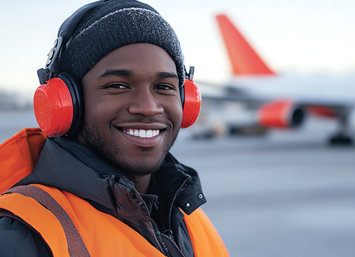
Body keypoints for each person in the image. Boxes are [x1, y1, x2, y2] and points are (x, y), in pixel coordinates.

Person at [0, 0, 228, 256]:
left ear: (186, 102)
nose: (148, 107)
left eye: (164, 87)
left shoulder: (191, 220)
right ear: (65, 103)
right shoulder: (23, 236)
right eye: (117, 86)